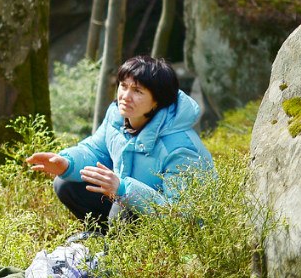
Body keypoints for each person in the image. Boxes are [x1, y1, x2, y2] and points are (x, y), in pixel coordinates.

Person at [25, 55, 214, 228]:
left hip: (175, 229)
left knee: (122, 209)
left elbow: (183, 216)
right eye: (123, 86)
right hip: (129, 205)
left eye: (138, 91)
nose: (125, 96)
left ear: (158, 100)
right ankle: (104, 237)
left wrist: (124, 190)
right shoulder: (117, 116)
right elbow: (97, 152)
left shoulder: (180, 148)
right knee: (67, 184)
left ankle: (121, 252)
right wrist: (67, 163)